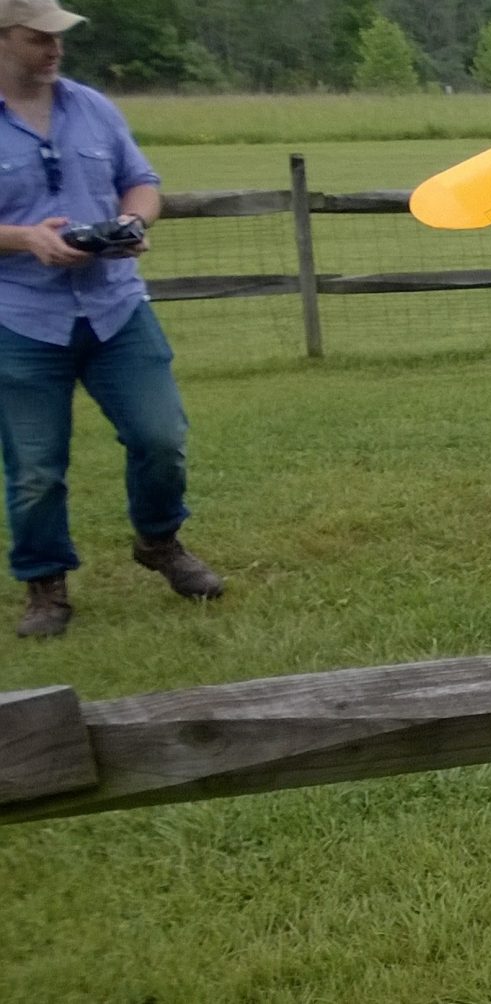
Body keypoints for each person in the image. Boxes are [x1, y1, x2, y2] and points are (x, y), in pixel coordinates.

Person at [0, 0, 221, 639]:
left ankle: (160, 542)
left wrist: (133, 222)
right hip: (21, 319)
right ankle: (45, 585)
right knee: (36, 467)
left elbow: (141, 182)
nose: (54, 48)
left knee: (161, 439)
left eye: (59, 37)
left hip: (115, 307)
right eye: (38, 37)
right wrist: (23, 239)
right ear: (3, 39)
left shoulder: (92, 106)